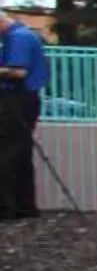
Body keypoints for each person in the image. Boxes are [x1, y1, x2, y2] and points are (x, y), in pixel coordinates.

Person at [0, 12, 44, 220]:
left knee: (8, 153)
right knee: (20, 154)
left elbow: (18, 72)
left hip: (17, 99)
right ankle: (24, 207)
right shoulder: (18, 36)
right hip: (22, 99)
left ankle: (8, 208)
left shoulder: (18, 37)